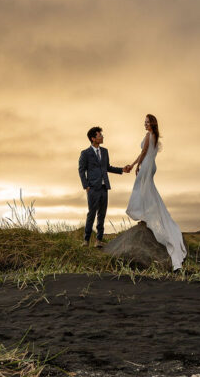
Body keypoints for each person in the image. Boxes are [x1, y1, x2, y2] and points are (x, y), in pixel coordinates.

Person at [125, 114, 187, 271]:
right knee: (147, 191)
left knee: (140, 191)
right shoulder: (155, 136)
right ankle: (145, 215)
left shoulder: (148, 135)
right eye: (144, 122)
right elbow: (144, 153)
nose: (144, 124)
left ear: (152, 123)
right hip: (150, 165)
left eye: (146, 122)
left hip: (146, 166)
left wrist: (138, 166)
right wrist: (133, 164)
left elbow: (144, 151)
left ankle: (144, 217)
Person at [78, 126, 129, 246]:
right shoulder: (85, 153)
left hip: (104, 187)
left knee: (102, 214)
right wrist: (86, 186)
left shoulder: (105, 151)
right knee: (91, 213)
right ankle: (86, 240)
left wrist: (122, 169)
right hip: (92, 188)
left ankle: (98, 240)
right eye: (100, 135)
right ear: (93, 138)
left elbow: (108, 167)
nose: (102, 137)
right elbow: (81, 170)